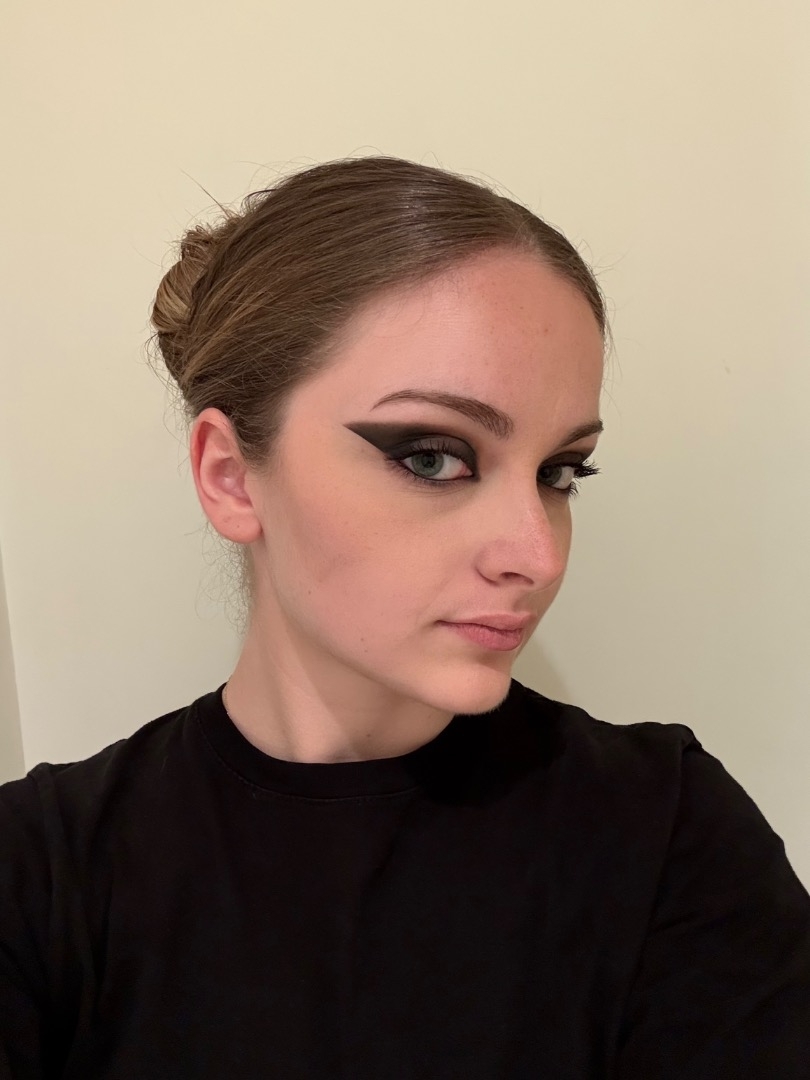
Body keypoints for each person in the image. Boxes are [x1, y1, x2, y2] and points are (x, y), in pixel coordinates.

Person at [1, 155, 808, 1079]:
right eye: (432, 457)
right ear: (230, 477)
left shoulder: (665, 832)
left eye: (559, 472)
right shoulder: (40, 875)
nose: (538, 555)